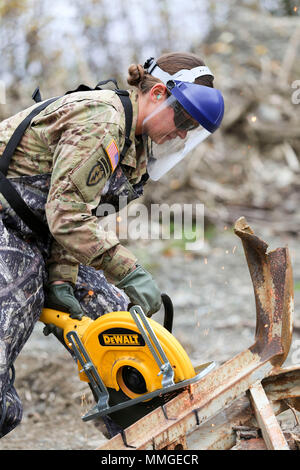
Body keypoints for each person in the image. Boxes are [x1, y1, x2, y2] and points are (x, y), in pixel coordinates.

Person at [0, 51, 224, 438]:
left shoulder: (134, 154)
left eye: (193, 127)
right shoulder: (103, 121)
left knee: (121, 326)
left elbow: (76, 217)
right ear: (156, 94)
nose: (184, 133)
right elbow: (66, 216)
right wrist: (129, 269)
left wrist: (61, 280)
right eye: (184, 118)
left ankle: (141, 435)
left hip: (36, 229)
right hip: (6, 222)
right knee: (16, 305)